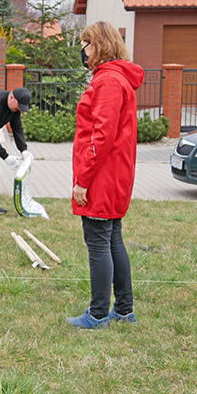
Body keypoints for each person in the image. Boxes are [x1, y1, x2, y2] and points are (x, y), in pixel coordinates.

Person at [67, 20, 145, 329]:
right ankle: (123, 309)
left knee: (99, 242)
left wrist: (83, 181)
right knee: (112, 240)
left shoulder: (109, 82)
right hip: (113, 173)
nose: (82, 51)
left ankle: (98, 314)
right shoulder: (113, 78)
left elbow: (102, 135)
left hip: (102, 175)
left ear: (98, 46)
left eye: (85, 44)